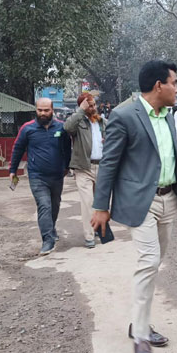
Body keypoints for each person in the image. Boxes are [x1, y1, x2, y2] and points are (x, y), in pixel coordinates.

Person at [90, 60, 177, 353]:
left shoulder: (170, 115)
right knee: (148, 262)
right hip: (141, 201)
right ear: (159, 85)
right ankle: (141, 336)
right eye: (174, 82)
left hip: (169, 199)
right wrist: (100, 206)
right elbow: (109, 163)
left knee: (155, 263)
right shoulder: (124, 116)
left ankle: (139, 323)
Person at [9, 98, 71, 255]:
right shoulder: (27, 129)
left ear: (52, 110)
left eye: (46, 110)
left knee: (55, 205)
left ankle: (51, 228)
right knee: (44, 205)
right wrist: (12, 170)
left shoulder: (61, 128)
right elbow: (18, 149)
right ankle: (47, 240)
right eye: (40, 110)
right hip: (37, 176)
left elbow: (67, 149)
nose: (43, 113)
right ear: (36, 110)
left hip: (57, 176)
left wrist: (67, 166)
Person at [64, 93, 105, 248]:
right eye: (90, 105)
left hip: (101, 166)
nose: (93, 108)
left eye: (94, 105)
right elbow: (67, 127)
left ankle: (99, 229)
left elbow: (115, 133)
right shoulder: (78, 122)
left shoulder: (101, 122)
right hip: (83, 168)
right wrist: (80, 111)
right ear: (83, 106)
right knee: (87, 202)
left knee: (100, 202)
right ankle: (89, 236)